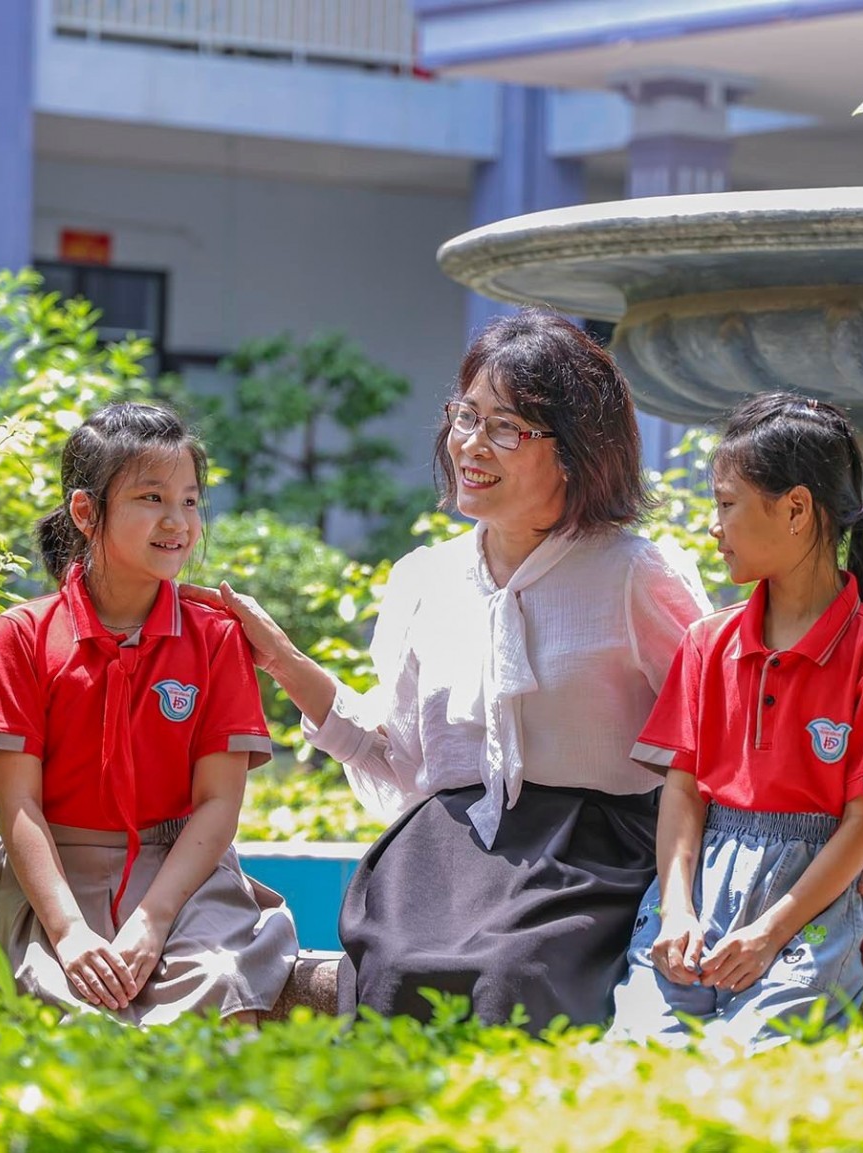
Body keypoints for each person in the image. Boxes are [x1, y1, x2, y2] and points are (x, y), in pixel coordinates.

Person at [199, 310, 717, 1030]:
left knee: (514, 973)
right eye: (467, 416)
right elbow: (398, 754)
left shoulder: (637, 574)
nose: (471, 443)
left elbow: (716, 737)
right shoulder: (425, 578)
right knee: (394, 969)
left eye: (506, 428)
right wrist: (283, 661)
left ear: (576, 450)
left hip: (590, 861)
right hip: (442, 858)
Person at [0, 402, 296, 1026]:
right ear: (86, 512)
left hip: (183, 881)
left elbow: (218, 802)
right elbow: (18, 806)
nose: (178, 521)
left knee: (220, 988)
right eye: (151, 497)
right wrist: (68, 932)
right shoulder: (21, 634)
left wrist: (153, 919)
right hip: (52, 882)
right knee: (65, 1014)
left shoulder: (217, 637)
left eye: (190, 501)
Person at [608, 392, 863, 1050]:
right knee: (638, 1051)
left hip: (807, 911)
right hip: (696, 897)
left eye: (726, 504)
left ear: (797, 509)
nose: (713, 527)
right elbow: (684, 793)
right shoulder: (706, 643)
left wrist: (771, 932)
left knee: (752, 1059)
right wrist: (677, 909)